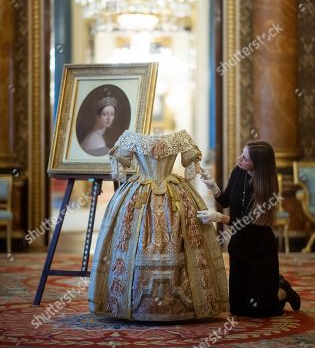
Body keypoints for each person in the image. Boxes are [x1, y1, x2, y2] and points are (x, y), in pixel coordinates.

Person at [88, 129, 229, 321]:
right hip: (164, 193)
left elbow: (119, 166)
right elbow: (191, 169)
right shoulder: (171, 138)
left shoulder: (135, 138)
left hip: (147, 191)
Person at [197, 140, 301, 317]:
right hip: (239, 247)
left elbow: (248, 222)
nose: (239, 159)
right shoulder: (238, 172)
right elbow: (226, 200)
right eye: (241, 154)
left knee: (260, 310)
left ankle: (282, 289)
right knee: (238, 308)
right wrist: (212, 186)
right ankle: (273, 285)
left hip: (260, 250)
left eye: (245, 158)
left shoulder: (268, 189)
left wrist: (219, 218)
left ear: (258, 164)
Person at [80, 90, 117, 156]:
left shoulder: (97, 137)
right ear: (97, 117)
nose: (109, 118)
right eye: (105, 114)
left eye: (112, 114)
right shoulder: (95, 140)